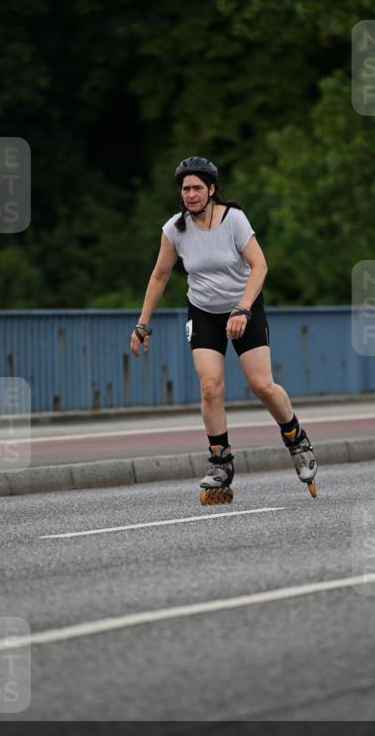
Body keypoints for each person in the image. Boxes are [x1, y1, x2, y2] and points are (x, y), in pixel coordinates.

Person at [130, 156, 317, 503]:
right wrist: (143, 323)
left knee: (262, 385)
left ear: (212, 189)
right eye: (185, 188)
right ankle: (221, 463)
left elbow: (260, 266)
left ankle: (296, 440)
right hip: (203, 313)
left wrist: (243, 308)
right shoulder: (175, 229)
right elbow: (160, 275)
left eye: (197, 188)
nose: (190, 194)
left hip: (245, 308)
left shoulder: (234, 220)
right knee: (210, 387)